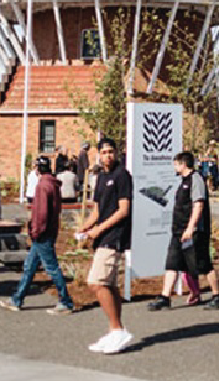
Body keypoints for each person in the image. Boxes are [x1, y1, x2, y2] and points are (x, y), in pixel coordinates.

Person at [148, 150, 219, 311]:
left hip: (194, 232)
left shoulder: (196, 179)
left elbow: (198, 204)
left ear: (183, 164)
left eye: (176, 164)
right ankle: (165, 297)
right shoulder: (182, 181)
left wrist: (191, 227)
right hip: (178, 231)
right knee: (172, 263)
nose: (174, 167)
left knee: (203, 264)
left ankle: (217, 295)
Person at [76, 138, 133, 354]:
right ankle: (114, 331)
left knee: (96, 282)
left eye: (111, 151)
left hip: (115, 236)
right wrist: (85, 227)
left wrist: (99, 230)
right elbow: (98, 212)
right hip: (103, 236)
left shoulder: (122, 176)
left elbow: (123, 210)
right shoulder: (100, 177)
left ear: (116, 153)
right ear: (98, 154)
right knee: (109, 284)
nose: (108, 155)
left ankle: (118, 330)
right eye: (104, 152)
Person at [1, 155, 74, 314]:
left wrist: (35, 231)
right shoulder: (53, 184)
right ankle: (17, 299)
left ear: (36, 169)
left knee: (52, 267)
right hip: (49, 231)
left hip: (42, 234)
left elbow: (41, 213)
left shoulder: (42, 186)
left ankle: (66, 301)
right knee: (29, 266)